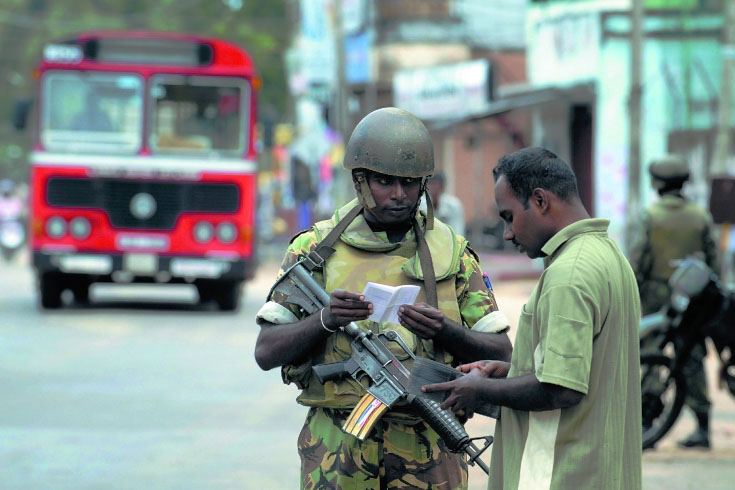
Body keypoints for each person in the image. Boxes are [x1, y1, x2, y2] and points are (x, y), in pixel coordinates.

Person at [254, 107, 512, 489]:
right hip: (337, 449)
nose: (398, 195)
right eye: (384, 181)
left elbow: (501, 352)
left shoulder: (453, 254)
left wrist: (445, 331)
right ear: (360, 180)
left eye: (410, 183)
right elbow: (266, 351)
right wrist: (326, 319)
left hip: (429, 448)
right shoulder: (315, 250)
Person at [424, 147, 642, 490]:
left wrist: (482, 388)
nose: (508, 233)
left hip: (562, 473)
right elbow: (583, 369)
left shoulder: (569, 274)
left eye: (509, 216)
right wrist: (512, 371)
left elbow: (562, 388)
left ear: (540, 201)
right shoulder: (608, 256)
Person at [629, 154, 718, 449]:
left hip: (657, 297)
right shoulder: (700, 215)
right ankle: (703, 426)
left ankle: (648, 423)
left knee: (653, 355)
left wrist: (632, 288)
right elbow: (713, 263)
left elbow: (639, 259)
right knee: (691, 357)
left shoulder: (651, 216)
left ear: (657, 184)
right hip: (693, 299)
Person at [421, 171, 466, 236]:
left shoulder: (454, 205)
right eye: (431, 185)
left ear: (442, 187)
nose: (433, 188)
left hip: (449, 241)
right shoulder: (420, 205)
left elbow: (458, 230)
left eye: (436, 185)